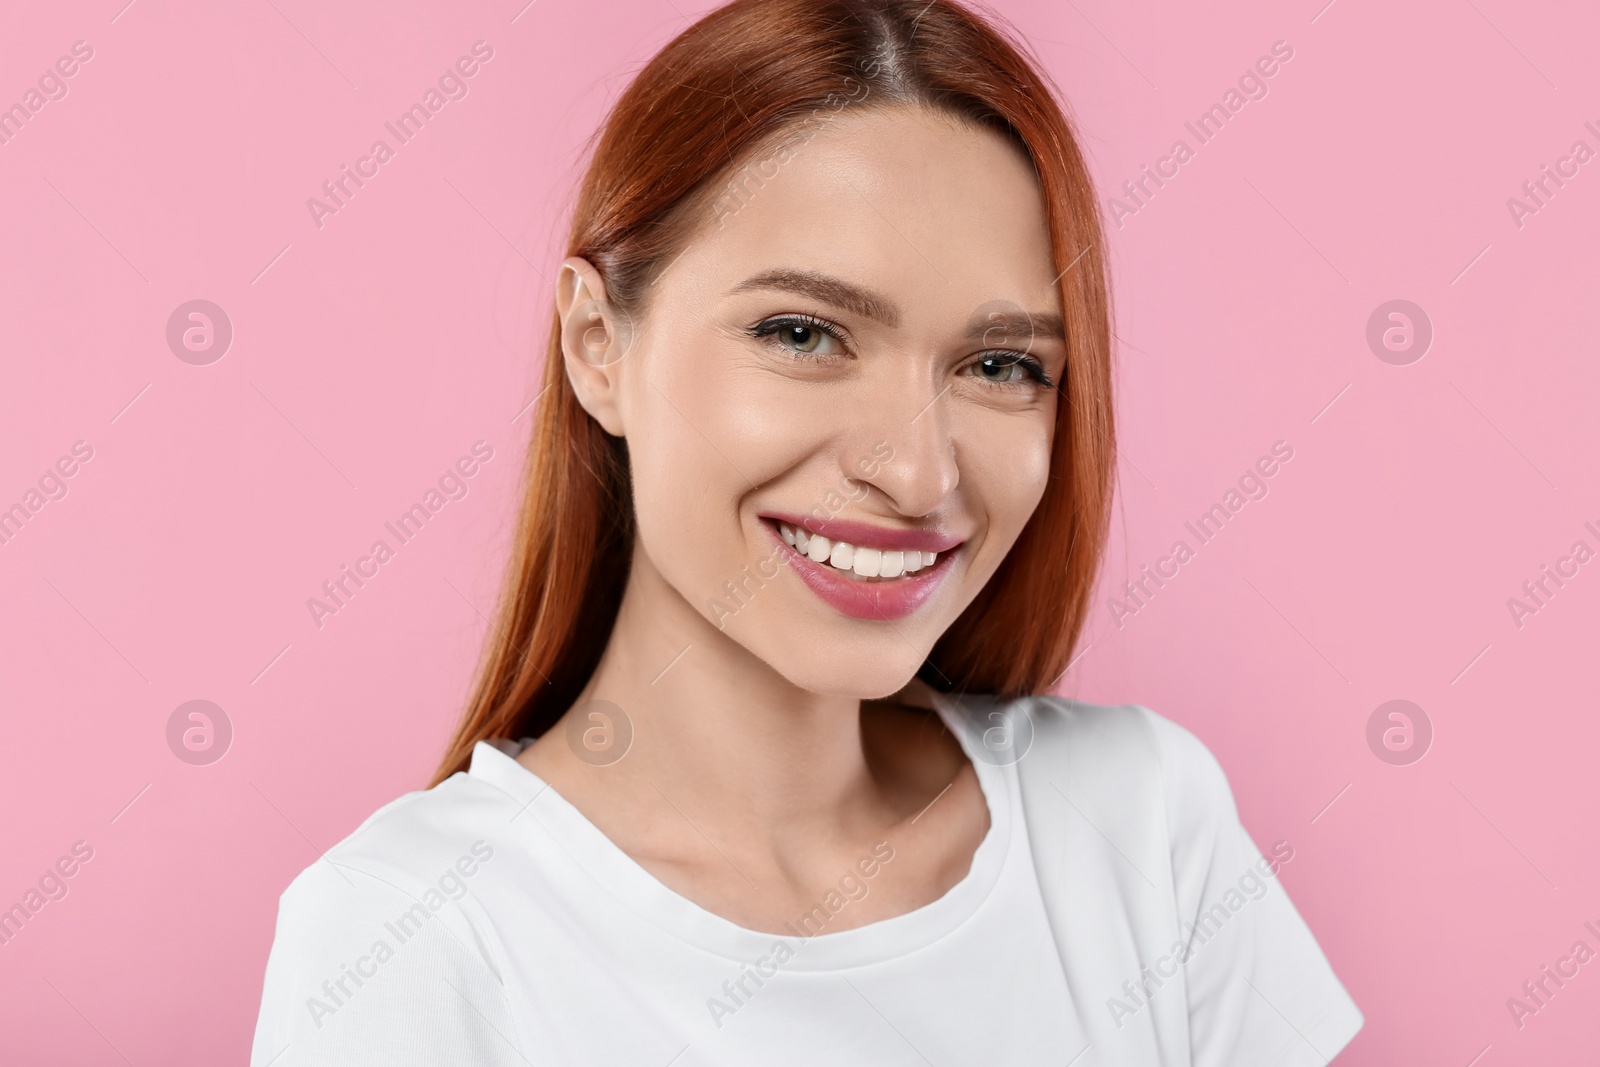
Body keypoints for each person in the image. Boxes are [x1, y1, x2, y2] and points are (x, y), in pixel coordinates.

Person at [251, 0, 1363, 1062]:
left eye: (999, 365)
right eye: (803, 332)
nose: (918, 472)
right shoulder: (413, 935)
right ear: (598, 345)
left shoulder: (1137, 822)